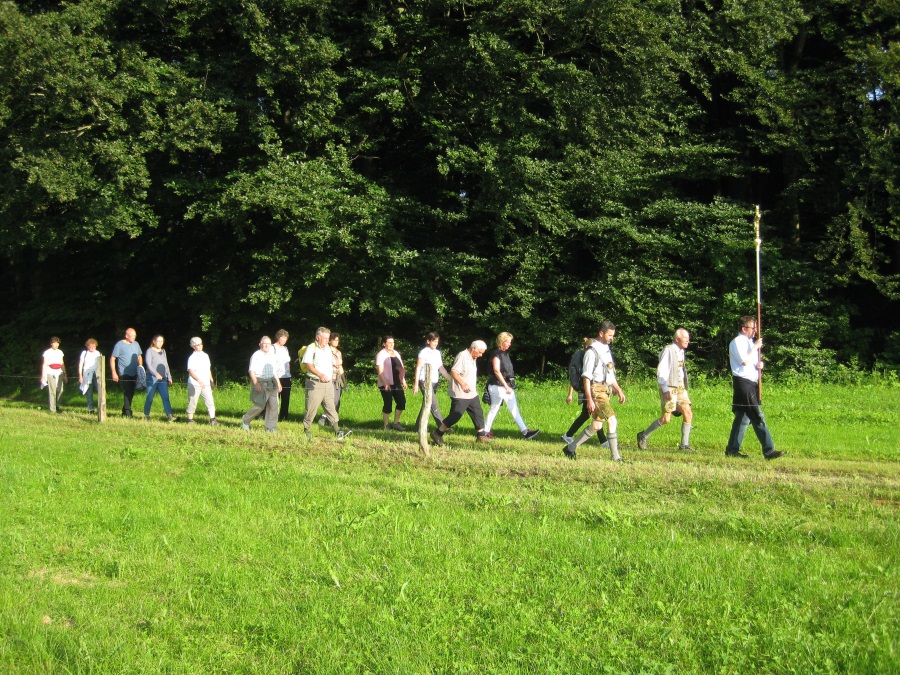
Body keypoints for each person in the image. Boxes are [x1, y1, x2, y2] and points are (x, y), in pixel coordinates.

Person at [563, 321, 626, 461]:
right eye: (610, 335)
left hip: (605, 390)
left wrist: (619, 390)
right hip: (596, 391)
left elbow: (610, 373)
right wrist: (589, 399)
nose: (612, 338)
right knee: (612, 420)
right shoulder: (591, 352)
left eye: (613, 336)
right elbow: (586, 377)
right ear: (601, 333)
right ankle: (616, 457)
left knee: (596, 426)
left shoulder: (606, 349)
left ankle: (570, 448)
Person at [726, 316, 783, 460]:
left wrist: (759, 365)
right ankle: (769, 451)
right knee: (757, 416)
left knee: (743, 418)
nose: (755, 331)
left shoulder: (750, 343)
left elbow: (752, 363)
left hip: (751, 384)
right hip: (743, 383)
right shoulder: (737, 342)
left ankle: (732, 450)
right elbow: (744, 361)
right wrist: (755, 347)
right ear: (744, 329)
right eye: (753, 328)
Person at [637, 328, 694, 451]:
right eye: (685, 338)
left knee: (688, 412)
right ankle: (643, 435)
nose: (688, 340)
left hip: (680, 388)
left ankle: (684, 445)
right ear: (677, 339)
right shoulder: (668, 350)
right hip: (669, 387)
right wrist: (665, 389)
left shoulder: (681, 352)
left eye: (688, 338)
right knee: (666, 419)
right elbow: (661, 370)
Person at [430, 340, 491, 446]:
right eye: (480, 352)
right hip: (460, 393)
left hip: (471, 393)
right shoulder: (462, 356)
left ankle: (481, 435)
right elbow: (454, 371)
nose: (481, 355)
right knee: (455, 415)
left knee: (477, 412)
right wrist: (463, 384)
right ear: (474, 348)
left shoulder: (473, 357)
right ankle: (437, 433)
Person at [483, 332, 539, 440]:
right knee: (494, 409)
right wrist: (506, 386)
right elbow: (496, 371)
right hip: (497, 386)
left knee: (513, 408)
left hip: (506, 386)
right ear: (502, 342)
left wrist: (509, 385)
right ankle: (485, 431)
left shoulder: (505, 354)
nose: (510, 344)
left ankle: (525, 432)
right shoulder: (496, 354)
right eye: (508, 342)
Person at [302, 327, 351, 440]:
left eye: (328, 338)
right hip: (315, 383)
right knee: (311, 407)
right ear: (317, 337)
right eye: (324, 338)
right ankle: (306, 430)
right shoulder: (311, 348)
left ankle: (337, 430)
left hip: (328, 383)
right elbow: (308, 365)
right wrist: (320, 374)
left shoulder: (328, 349)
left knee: (331, 406)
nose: (326, 340)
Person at [562, 338, 608, 448]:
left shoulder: (584, 356)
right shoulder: (585, 358)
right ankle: (602, 441)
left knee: (591, 414)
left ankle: (569, 435)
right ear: (587, 347)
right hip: (588, 391)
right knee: (593, 414)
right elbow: (579, 378)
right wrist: (570, 394)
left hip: (590, 390)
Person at [241, 336, 282, 433]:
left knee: (274, 405)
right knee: (260, 406)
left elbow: (274, 371)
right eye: (264, 344)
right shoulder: (256, 355)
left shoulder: (272, 355)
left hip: (272, 383)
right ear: (260, 344)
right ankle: (245, 420)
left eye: (268, 344)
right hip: (261, 381)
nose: (266, 345)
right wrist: (256, 384)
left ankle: (270, 427)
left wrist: (278, 383)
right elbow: (251, 371)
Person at [412, 332, 452, 431]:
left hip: (434, 381)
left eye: (437, 342)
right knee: (434, 404)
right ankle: (443, 427)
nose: (435, 343)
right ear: (428, 341)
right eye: (434, 341)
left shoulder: (437, 353)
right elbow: (418, 368)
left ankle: (417, 427)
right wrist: (416, 384)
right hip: (424, 381)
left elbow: (441, 368)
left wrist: (451, 380)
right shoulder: (423, 352)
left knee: (427, 403)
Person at [376, 335, 407, 430]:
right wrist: (385, 383)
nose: (391, 344)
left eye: (392, 342)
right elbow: (380, 371)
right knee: (388, 404)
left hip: (397, 382)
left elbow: (400, 368)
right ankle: (386, 425)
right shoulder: (381, 354)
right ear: (384, 343)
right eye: (389, 342)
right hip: (386, 383)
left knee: (401, 402)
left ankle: (396, 423)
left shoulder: (396, 353)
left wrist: (403, 381)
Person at [185, 337, 219, 425]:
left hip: (206, 383)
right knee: (192, 401)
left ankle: (212, 419)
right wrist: (199, 380)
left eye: (201, 344)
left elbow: (208, 369)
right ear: (193, 346)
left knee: (210, 401)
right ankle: (190, 420)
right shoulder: (192, 357)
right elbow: (190, 371)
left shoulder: (205, 355)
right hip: (194, 383)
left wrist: (211, 380)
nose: (200, 346)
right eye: (197, 345)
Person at [110, 328, 143, 418]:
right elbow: (112, 358)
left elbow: (139, 356)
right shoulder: (119, 345)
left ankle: (125, 410)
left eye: (135, 335)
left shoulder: (136, 344)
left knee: (131, 392)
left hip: (134, 372)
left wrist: (140, 368)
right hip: (124, 373)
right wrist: (114, 372)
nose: (134, 337)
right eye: (132, 335)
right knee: (128, 391)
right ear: (126, 336)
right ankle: (128, 412)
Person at [144, 335, 176, 422]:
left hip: (163, 378)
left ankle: (169, 415)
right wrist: (156, 374)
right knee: (150, 397)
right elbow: (148, 364)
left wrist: (169, 376)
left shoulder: (163, 351)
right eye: (158, 341)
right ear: (154, 341)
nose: (160, 343)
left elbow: (166, 365)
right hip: (152, 378)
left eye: (162, 341)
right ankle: (146, 415)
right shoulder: (149, 351)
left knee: (165, 397)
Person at [318, 332, 346, 426]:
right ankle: (324, 417)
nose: (336, 342)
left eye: (338, 340)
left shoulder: (338, 353)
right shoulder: (326, 351)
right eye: (334, 340)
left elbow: (340, 367)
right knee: (331, 400)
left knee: (337, 401)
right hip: (329, 378)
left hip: (337, 379)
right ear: (330, 341)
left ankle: (333, 421)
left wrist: (344, 382)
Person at [40, 337, 67, 413]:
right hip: (50, 372)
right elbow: (44, 364)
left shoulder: (60, 352)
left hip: (59, 372)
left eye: (57, 343)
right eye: (55, 343)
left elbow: (62, 363)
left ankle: (57, 406)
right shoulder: (47, 352)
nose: (56, 345)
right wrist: (43, 375)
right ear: (51, 343)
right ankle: (52, 409)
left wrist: (65, 374)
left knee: (60, 390)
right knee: (52, 391)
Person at [78, 338, 102, 413]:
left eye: (94, 346)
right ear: (87, 346)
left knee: (100, 391)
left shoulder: (98, 353)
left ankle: (101, 408)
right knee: (89, 392)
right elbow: (80, 365)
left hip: (97, 374)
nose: (92, 347)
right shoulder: (84, 353)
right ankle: (90, 409)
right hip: (87, 374)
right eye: (90, 346)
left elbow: (101, 364)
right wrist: (80, 376)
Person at [273, 329, 292, 422]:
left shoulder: (285, 349)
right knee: (274, 398)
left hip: (286, 377)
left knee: (286, 398)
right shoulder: (272, 348)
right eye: (283, 338)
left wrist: (290, 375)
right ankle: (272, 415)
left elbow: (288, 363)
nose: (284, 340)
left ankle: (284, 416)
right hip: (276, 376)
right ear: (278, 337)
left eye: (286, 338)